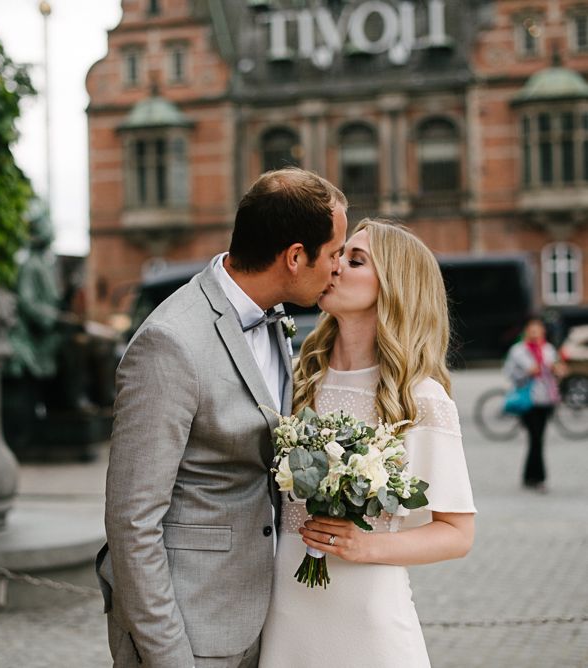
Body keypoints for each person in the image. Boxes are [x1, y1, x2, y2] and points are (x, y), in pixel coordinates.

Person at [97, 167, 348, 668]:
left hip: (265, 619)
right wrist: (169, 657)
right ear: (295, 257)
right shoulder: (170, 343)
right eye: (336, 252)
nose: (338, 267)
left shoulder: (275, 319)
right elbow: (131, 522)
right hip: (191, 629)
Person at [259, 219, 476, 668]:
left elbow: (457, 534)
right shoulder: (294, 379)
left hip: (369, 621)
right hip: (284, 614)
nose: (334, 267)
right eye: (337, 255)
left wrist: (367, 546)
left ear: (394, 286)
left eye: (354, 260)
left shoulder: (418, 398)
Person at [504, 317, 565, 492]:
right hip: (528, 400)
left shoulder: (548, 349)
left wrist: (558, 371)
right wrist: (526, 373)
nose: (535, 332)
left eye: (538, 329)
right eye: (531, 328)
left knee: (536, 439)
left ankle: (529, 476)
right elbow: (509, 372)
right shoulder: (518, 350)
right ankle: (539, 478)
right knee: (536, 438)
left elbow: (554, 370)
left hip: (546, 399)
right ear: (526, 331)